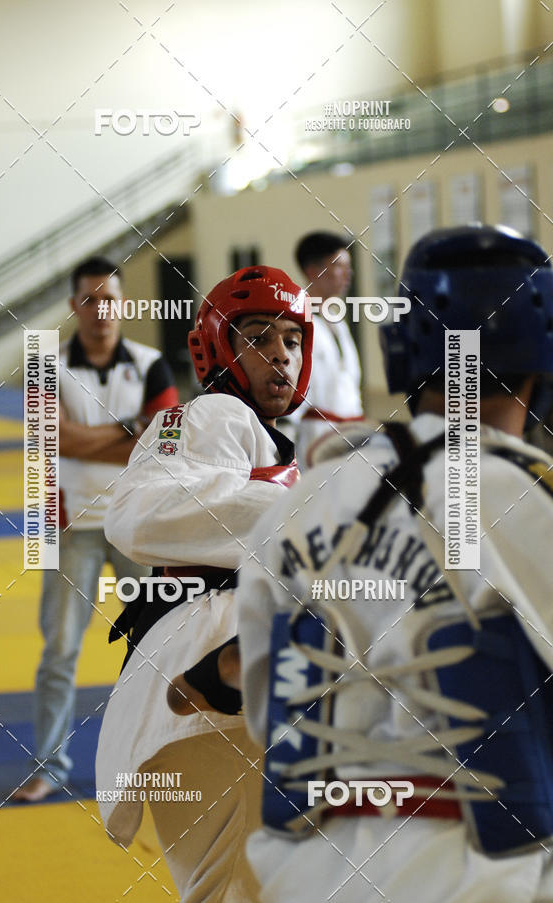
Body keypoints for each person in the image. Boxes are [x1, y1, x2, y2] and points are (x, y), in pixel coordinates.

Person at [237, 225, 553, 902]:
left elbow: (266, 710)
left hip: (306, 874)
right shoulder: (525, 501)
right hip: (487, 874)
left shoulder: (298, 505)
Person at [95, 265, 313, 903]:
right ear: (218, 347)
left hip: (216, 691)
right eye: (258, 336)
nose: (279, 354)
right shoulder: (212, 412)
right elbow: (138, 513)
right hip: (214, 680)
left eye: (292, 340)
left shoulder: (268, 439)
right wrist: (308, 511)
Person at [12, 256, 178, 802]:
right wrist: (128, 433)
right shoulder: (46, 365)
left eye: (109, 299)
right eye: (90, 299)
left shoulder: (153, 363)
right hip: (66, 523)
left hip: (140, 523)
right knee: (60, 649)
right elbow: (50, 440)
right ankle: (50, 765)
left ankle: (155, 758)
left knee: (157, 643)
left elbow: (166, 444)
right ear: (73, 305)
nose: (100, 309)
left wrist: (90, 437)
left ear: (123, 304)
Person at [284, 231, 363, 467]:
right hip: (315, 443)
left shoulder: (338, 323)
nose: (348, 273)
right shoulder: (296, 325)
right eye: (339, 266)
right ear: (313, 271)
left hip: (352, 435)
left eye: (348, 266)